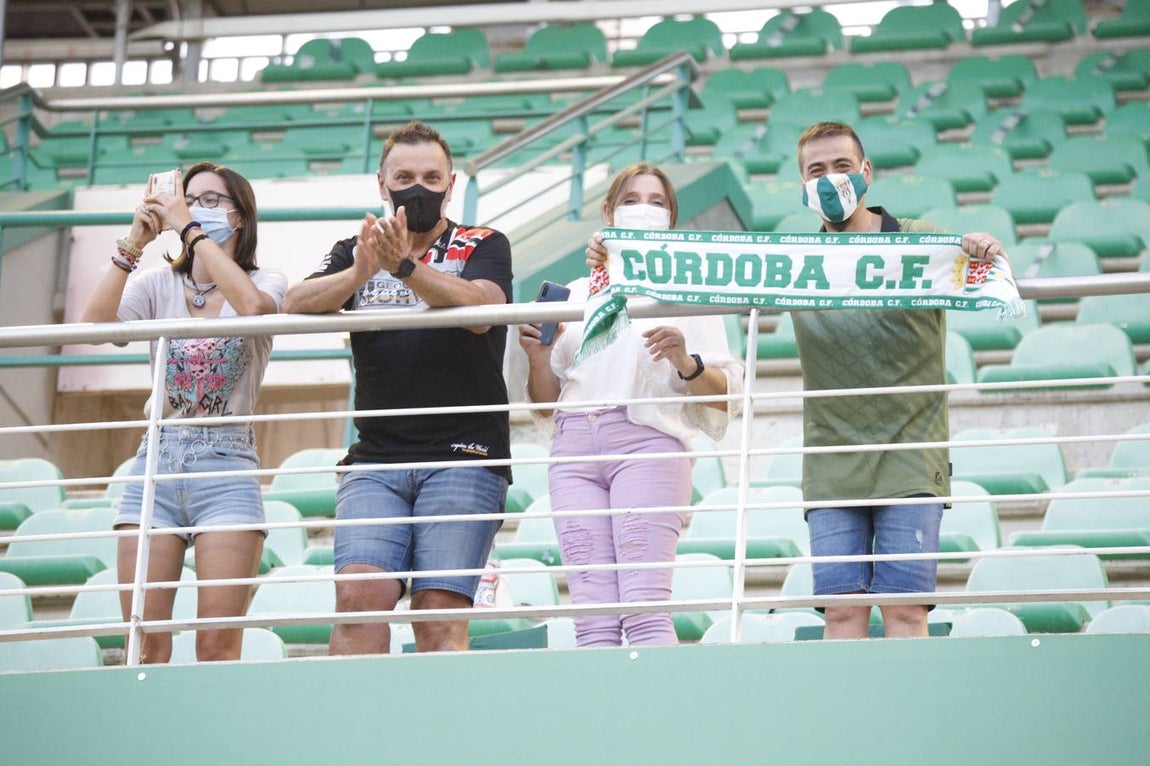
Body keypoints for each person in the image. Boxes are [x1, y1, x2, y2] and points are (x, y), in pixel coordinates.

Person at [281, 121, 513, 655]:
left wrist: (404, 267)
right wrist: (361, 273)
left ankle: (442, 737)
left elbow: (481, 311)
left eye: (432, 177)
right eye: (404, 176)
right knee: (358, 602)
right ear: (381, 185)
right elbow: (293, 303)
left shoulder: (484, 242)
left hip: (464, 456)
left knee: (438, 617)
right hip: (376, 460)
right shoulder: (355, 249)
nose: (419, 187)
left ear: (450, 184)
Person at [790, 121, 1008, 639]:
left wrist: (984, 247)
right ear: (801, 185)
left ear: (866, 172)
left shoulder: (921, 242)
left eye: (841, 167)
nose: (830, 179)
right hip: (831, 463)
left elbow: (991, 272)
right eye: (815, 171)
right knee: (842, 614)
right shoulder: (793, 261)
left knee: (906, 612)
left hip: (911, 458)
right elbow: (693, 272)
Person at [520, 163, 744, 647]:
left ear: (671, 219)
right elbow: (544, 403)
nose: (644, 208)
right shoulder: (577, 294)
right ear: (608, 211)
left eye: (658, 202)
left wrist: (686, 362)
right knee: (593, 618)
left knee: (644, 610)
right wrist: (537, 359)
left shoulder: (690, 291)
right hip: (573, 451)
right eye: (632, 198)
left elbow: (727, 396)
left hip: (649, 445)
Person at [80, 162, 286, 662]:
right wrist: (134, 241)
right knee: (145, 639)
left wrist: (190, 230)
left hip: (228, 460)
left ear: (241, 217)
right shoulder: (156, 284)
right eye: (189, 198)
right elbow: (94, 327)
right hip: (156, 460)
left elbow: (254, 309)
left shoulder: (268, 280)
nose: (195, 208)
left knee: (217, 642)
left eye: (212, 201)